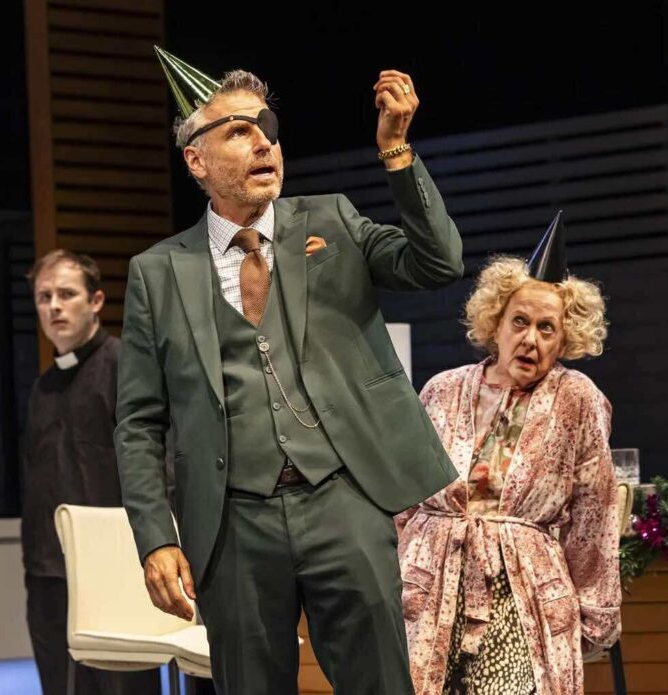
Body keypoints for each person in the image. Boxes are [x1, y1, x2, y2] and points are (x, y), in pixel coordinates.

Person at [114, 49, 463, 694]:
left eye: (268, 128)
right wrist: (156, 538)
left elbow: (437, 263)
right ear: (196, 160)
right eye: (238, 131)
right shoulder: (157, 272)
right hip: (232, 523)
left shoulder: (333, 219)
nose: (263, 143)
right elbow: (138, 422)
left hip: (343, 499)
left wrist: (396, 153)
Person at [397, 214, 622, 694]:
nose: (530, 339)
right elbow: (404, 495)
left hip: (521, 588)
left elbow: (594, 514)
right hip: (430, 582)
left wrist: (593, 611)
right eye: (520, 322)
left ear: (565, 339)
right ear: (495, 323)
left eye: (547, 328)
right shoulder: (442, 390)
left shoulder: (577, 398)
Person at [22, 249, 160, 695]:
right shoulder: (43, 387)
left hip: (117, 570)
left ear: (96, 301)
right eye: (44, 297)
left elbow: (159, 466)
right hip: (49, 573)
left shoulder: (126, 367)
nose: (54, 307)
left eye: (66, 294)